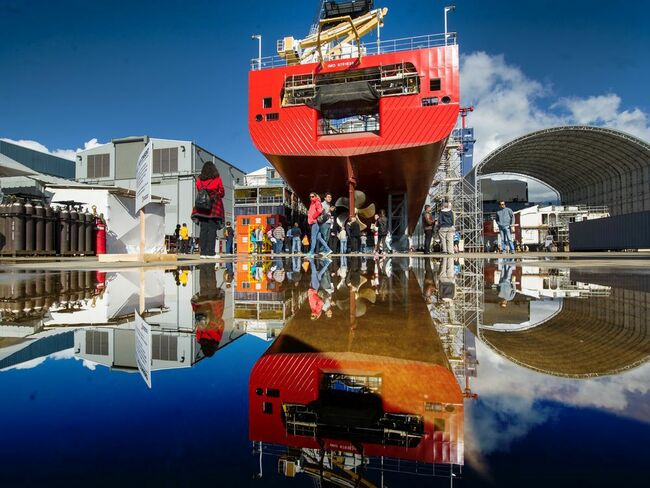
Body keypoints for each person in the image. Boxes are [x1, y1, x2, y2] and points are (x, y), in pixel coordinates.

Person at [191, 162, 224, 259]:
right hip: (214, 206)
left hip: (202, 208)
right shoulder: (217, 179)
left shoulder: (199, 180)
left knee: (203, 229)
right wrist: (215, 193)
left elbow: (199, 190)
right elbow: (222, 192)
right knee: (212, 230)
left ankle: (203, 253)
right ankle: (211, 252)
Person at [307, 192, 332, 257]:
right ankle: (328, 249)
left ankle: (311, 252)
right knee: (319, 237)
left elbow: (320, 210)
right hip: (312, 222)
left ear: (315, 196)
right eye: (310, 197)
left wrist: (313, 216)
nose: (311, 198)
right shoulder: (313, 203)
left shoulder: (317, 202)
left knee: (313, 238)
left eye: (312, 196)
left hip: (314, 222)